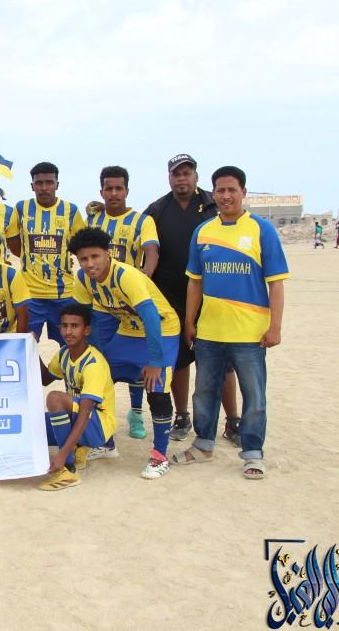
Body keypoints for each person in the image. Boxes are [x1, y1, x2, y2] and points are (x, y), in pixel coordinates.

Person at [172, 166, 288, 480]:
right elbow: (195, 282)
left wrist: (275, 327)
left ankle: (252, 453)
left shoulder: (262, 230)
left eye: (231, 190)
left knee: (254, 396)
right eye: (220, 191)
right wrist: (189, 321)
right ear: (213, 194)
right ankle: (203, 445)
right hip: (209, 332)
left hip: (250, 334)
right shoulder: (203, 232)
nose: (225, 196)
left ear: (243, 193)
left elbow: (276, 283)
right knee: (204, 392)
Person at [140, 154, 237, 442]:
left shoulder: (213, 205)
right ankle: (182, 416)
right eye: (176, 174)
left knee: (222, 362)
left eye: (186, 173)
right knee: (179, 361)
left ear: (196, 176)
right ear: (169, 177)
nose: (181, 178)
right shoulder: (156, 210)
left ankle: (233, 420)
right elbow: (137, 236)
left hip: (213, 297)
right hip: (170, 299)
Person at [69, 227, 179, 479]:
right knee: (99, 376)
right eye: (83, 259)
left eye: (95, 256)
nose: (90, 264)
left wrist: (155, 361)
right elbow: (89, 319)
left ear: (107, 254)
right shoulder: (83, 279)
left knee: (157, 387)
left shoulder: (126, 275)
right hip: (129, 330)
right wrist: (94, 356)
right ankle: (105, 442)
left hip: (162, 329)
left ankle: (160, 455)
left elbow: (151, 317)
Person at [86, 166, 161, 439]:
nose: (114, 193)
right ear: (102, 191)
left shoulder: (142, 221)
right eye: (109, 188)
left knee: (136, 363)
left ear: (127, 190)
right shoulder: (94, 218)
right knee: (102, 361)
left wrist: (144, 278)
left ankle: (136, 413)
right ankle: (102, 415)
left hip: (131, 304)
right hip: (102, 307)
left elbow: (152, 251)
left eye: (119, 188)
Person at [38, 303, 116, 491]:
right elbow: (46, 379)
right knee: (34, 424)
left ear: (86, 330)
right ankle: (78, 448)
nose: (68, 331)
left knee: (55, 398)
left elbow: (85, 412)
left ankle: (68, 469)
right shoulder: (64, 353)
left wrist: (61, 454)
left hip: (98, 426)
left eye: (75, 326)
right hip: (81, 420)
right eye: (64, 326)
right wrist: (32, 349)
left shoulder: (93, 363)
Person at [15, 162, 86, 345]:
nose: (44, 188)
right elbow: (13, 243)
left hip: (64, 294)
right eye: (39, 183)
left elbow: (82, 246)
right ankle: (42, 368)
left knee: (70, 344)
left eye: (49, 182)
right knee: (26, 345)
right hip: (30, 294)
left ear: (57, 185)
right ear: (32, 186)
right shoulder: (21, 209)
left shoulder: (71, 210)